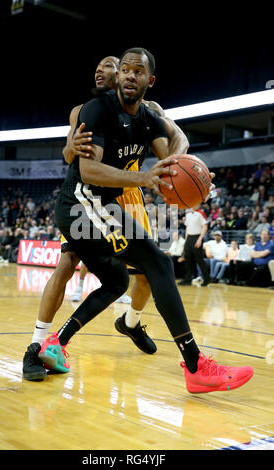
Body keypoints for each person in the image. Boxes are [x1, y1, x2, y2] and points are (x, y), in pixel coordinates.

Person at [36, 47, 253, 394]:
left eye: (138, 72)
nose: (130, 76)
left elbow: (171, 156)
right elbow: (88, 170)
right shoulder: (97, 110)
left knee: (119, 280)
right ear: (118, 76)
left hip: (104, 205)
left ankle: (55, 344)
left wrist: (193, 175)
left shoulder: (149, 118)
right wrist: (145, 178)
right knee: (156, 262)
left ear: (149, 81)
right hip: (80, 203)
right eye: (125, 70)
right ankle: (196, 366)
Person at [23, 54, 190, 380]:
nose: (103, 74)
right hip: (90, 192)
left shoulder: (149, 110)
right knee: (66, 264)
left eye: (111, 69)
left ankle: (129, 322)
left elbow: (176, 139)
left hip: (131, 194)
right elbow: (68, 155)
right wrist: (74, 144)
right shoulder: (85, 111)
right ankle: (37, 344)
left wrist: (177, 165)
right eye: (99, 70)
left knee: (147, 271)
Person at [178, 205, 210, 286]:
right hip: (189, 238)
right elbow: (187, 228)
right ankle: (188, 279)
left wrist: (200, 239)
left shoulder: (201, 213)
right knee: (187, 259)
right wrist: (186, 240)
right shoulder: (188, 214)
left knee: (199, 260)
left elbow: (205, 227)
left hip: (197, 237)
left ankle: (206, 279)